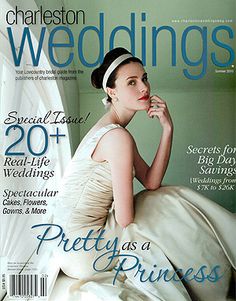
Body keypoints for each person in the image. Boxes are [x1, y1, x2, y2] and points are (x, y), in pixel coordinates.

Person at [54, 47, 235, 301]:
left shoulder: (112, 131)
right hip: (83, 250)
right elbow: (126, 218)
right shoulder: (117, 137)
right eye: (132, 82)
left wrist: (167, 129)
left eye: (144, 78)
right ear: (111, 91)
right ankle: (218, 265)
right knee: (160, 204)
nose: (144, 88)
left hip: (69, 248)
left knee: (159, 198)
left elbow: (150, 181)